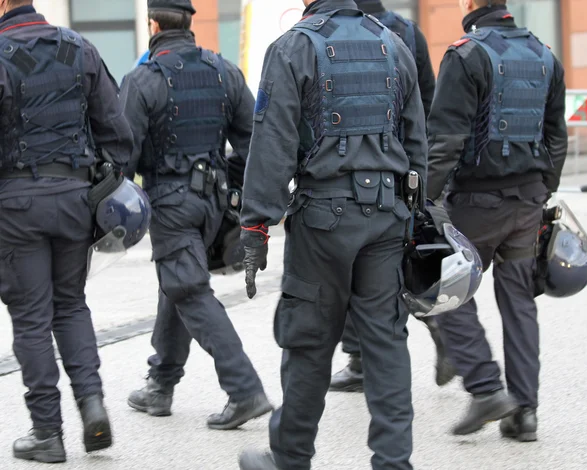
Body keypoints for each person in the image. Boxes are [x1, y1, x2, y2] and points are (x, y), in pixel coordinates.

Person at [238, 0, 428, 468]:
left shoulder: (294, 46)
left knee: (308, 341)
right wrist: (416, 212)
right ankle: (393, 461)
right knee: (386, 343)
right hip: (387, 215)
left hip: (323, 219)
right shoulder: (393, 43)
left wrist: (255, 224)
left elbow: (272, 140)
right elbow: (416, 138)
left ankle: (290, 458)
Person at [119, 0, 273, 430]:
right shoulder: (225, 72)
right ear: (189, 22)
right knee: (178, 283)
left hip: (171, 205)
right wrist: (236, 191)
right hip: (214, 203)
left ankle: (244, 390)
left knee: (187, 287)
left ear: (153, 24)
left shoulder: (144, 79)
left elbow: (122, 156)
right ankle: (161, 384)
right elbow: (253, 142)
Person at [426, 0, 568, 440]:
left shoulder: (466, 54)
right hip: (527, 202)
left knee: (442, 291)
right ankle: (524, 413)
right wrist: (543, 189)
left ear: (470, 4)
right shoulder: (546, 55)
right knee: (520, 305)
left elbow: (445, 141)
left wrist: (422, 202)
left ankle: (486, 387)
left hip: (476, 203)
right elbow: (556, 136)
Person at [0, 0, 134, 463]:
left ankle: (47, 433)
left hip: (15, 204)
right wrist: (101, 187)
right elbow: (118, 132)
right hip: (76, 199)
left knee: (32, 318)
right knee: (71, 305)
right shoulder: (80, 47)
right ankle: (92, 406)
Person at [330, 0, 456, 393]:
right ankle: (438, 331)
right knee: (399, 258)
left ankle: (360, 360)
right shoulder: (406, 32)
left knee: (353, 262)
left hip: (349, 167)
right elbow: (427, 104)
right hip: (400, 165)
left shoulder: (331, 32)